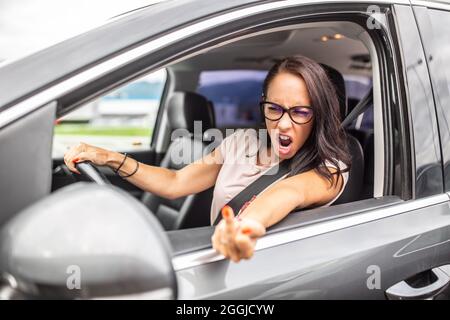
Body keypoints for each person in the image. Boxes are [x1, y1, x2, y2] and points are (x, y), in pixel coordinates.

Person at [64, 55, 351, 263]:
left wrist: (243, 227)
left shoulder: (331, 169)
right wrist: (110, 157)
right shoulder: (242, 142)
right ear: (263, 103)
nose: (284, 124)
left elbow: (289, 192)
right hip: (216, 263)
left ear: (319, 114)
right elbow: (176, 182)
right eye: (275, 108)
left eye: (300, 112)